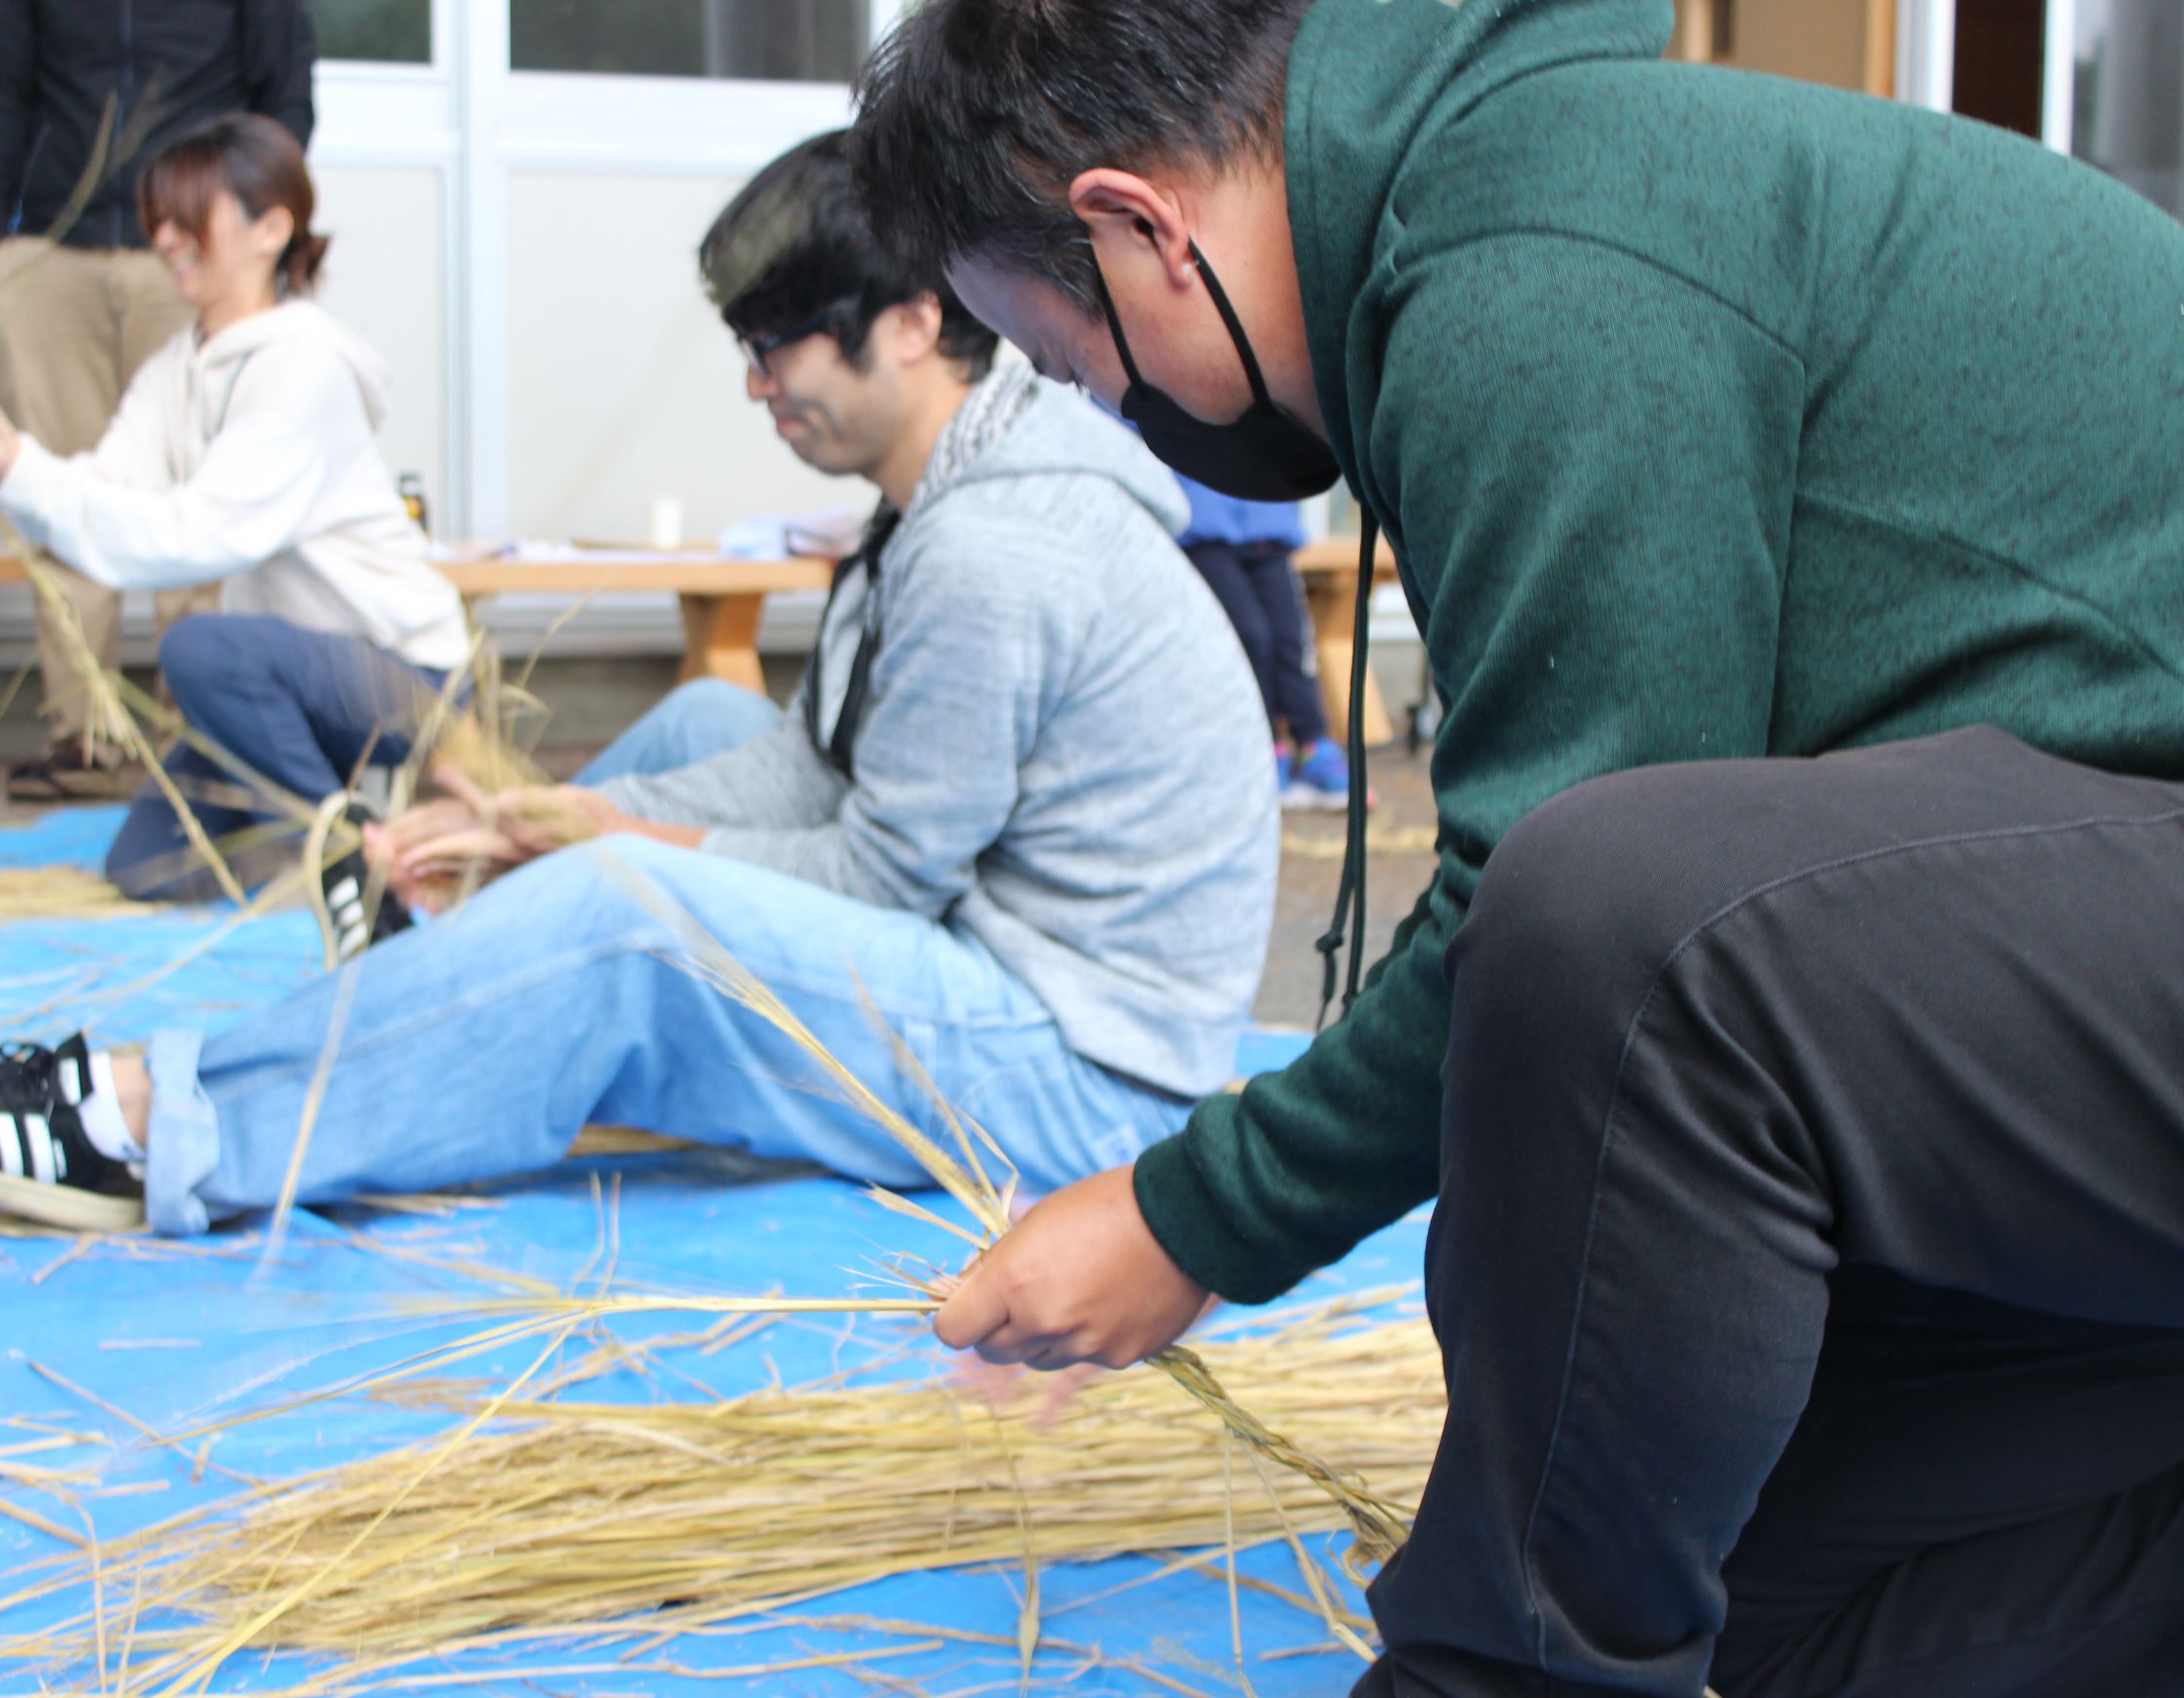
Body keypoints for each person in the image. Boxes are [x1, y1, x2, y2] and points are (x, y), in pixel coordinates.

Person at [849, 2, 2184, 1695]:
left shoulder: (1536, 241)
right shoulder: (1478, 224)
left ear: (1134, 228)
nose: (1110, 405)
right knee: (1754, 1596)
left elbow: (1571, 900)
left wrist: (1194, 1213)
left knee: (1618, 927)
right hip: (2091, 970)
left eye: (1072, 354)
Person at [0, 129, 1280, 1256]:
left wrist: (598, 849)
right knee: (701, 747)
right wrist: (546, 811)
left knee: (627, 918)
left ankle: (156, 1126)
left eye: (779, 347)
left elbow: (881, 873)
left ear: (905, 322)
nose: (761, 389)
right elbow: (808, 771)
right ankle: (465, 949)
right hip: (1003, 964)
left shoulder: (993, 546)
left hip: (1081, 1083)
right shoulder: (948, 497)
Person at [0, 114, 467, 941]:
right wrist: (8, 462)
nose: (167, 237)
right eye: (160, 216)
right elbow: (107, 485)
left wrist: (20, 470)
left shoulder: (304, 368)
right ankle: (332, 810)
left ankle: (353, 863)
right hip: (291, 689)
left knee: (199, 648)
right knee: (148, 866)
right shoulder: (178, 367)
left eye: (191, 215)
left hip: (406, 680)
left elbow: (198, 536)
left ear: (271, 228)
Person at [0, 0, 316, 802]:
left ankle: (198, 737)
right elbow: (0, 87)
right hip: (52, 252)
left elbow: (284, 87)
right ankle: (85, 736)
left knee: (202, 495)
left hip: (194, 255)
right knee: (59, 489)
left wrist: (246, 234)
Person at [1172, 476, 1352, 809]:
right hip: (1203, 527)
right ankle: (1265, 749)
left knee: (1290, 639)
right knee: (1250, 636)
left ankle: (1313, 743)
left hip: (1269, 523)